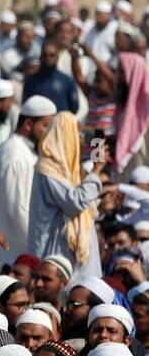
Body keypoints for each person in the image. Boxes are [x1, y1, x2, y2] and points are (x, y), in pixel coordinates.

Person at [27, 112, 104, 283]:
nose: (79, 140)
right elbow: (75, 202)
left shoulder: (68, 172)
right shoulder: (48, 170)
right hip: (57, 252)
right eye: (74, 135)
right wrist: (97, 171)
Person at [0, 96, 57, 266]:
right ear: (28, 125)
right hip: (17, 258)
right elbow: (18, 211)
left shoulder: (25, 151)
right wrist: (40, 250)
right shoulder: (15, 154)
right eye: (46, 126)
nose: (50, 134)